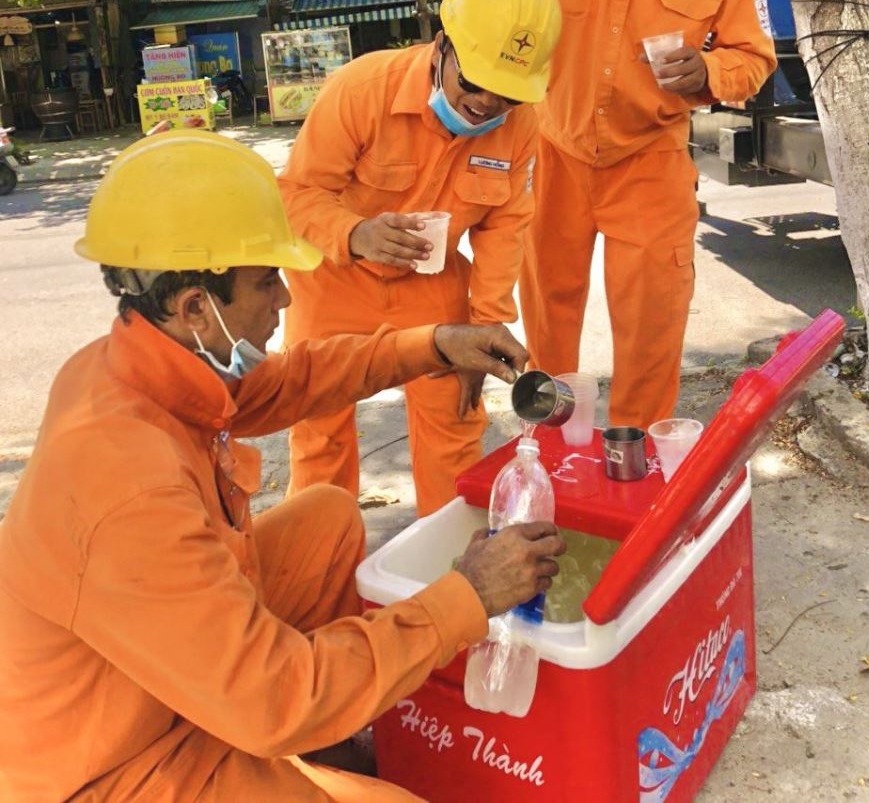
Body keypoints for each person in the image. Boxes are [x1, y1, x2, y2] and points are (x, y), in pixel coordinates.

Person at [0, 130, 564, 803]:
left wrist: (433, 344)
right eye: (267, 282)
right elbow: (273, 697)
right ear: (194, 308)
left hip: (166, 677)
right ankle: (300, 747)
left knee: (324, 517)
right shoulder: (127, 484)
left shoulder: (135, 364)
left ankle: (320, 746)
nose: (286, 301)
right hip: (110, 763)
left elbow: (290, 382)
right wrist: (466, 596)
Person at [495, 0, 778, 431]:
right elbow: (494, 4)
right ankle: (553, 445)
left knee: (651, 329)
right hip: (551, 152)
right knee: (547, 319)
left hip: (648, 162)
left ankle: (635, 463)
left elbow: (755, 56)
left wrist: (707, 72)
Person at [278, 0, 561, 516]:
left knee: (454, 424)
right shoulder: (362, 89)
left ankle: (454, 572)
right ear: (441, 46)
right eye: (475, 83)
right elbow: (295, 196)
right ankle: (319, 566)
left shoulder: (523, 126)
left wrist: (485, 322)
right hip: (333, 282)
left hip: (431, 288)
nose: (487, 105)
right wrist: (355, 233)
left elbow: (505, 226)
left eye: (507, 95)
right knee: (320, 434)